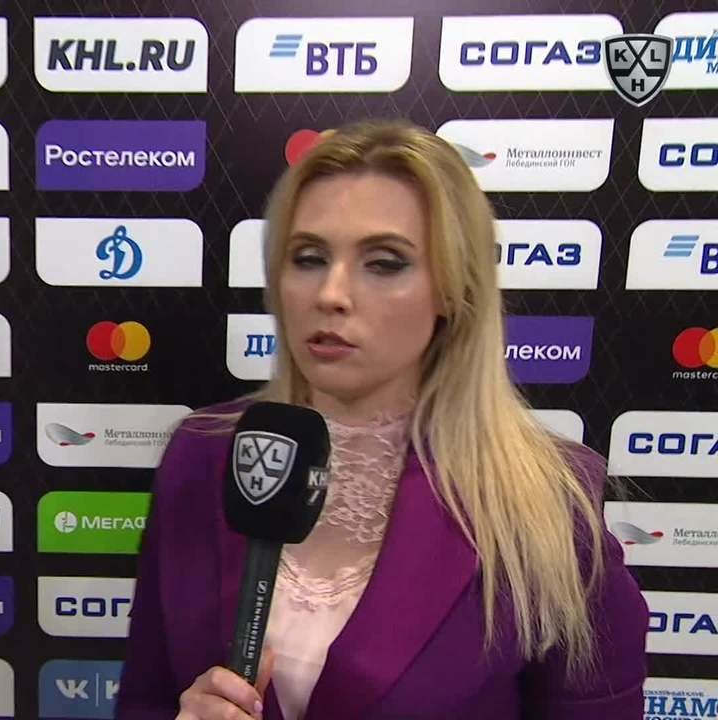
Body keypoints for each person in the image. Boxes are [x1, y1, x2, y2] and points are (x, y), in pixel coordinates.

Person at [117, 120, 648, 720]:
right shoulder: (201, 454)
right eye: (309, 258)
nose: (331, 293)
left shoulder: (549, 500)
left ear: (452, 289)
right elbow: (145, 698)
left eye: (385, 262)